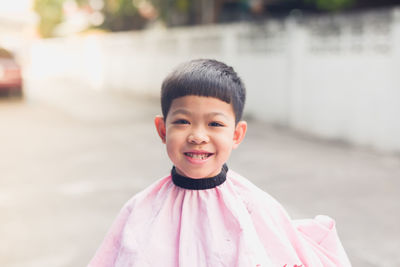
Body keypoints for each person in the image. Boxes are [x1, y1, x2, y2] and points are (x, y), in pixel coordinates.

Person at [88, 59, 351, 267]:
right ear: (162, 129)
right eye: (182, 121)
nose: (198, 136)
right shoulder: (141, 210)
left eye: (215, 124)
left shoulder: (254, 206)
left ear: (236, 134)